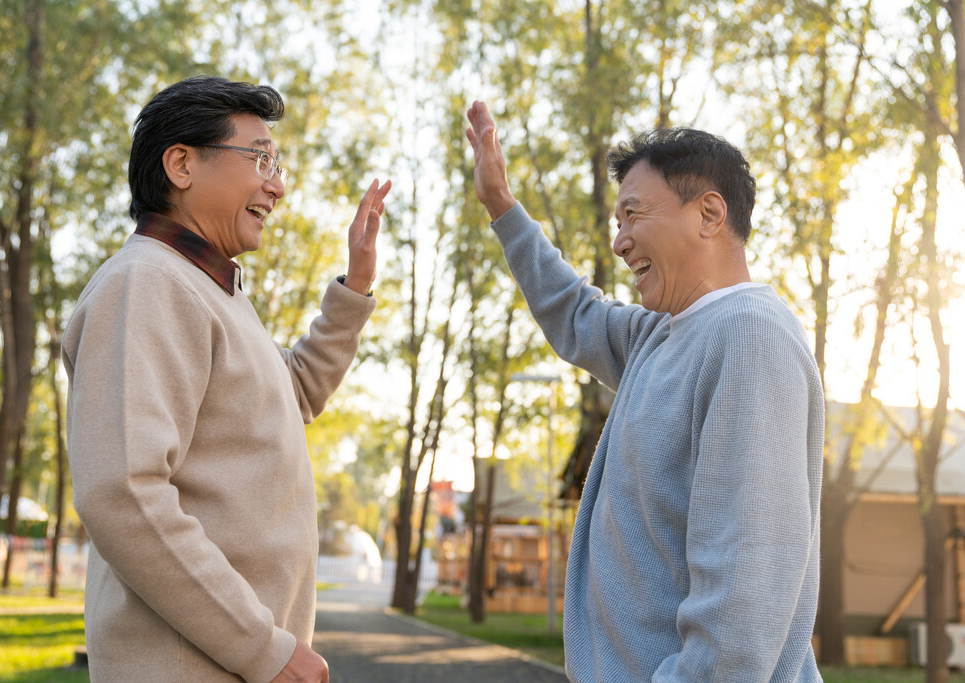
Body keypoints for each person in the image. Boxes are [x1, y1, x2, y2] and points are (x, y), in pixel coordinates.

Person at [466, 101, 824, 682]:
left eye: (633, 215)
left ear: (709, 213)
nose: (620, 241)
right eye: (617, 222)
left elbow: (745, 597)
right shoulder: (663, 332)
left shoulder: (749, 337)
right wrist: (502, 207)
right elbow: (575, 312)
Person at [62, 76, 390, 683]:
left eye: (278, 162)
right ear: (181, 164)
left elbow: (290, 399)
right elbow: (122, 493)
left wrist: (355, 289)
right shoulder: (147, 284)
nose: (278, 184)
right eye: (260, 158)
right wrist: (262, 648)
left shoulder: (213, 289)